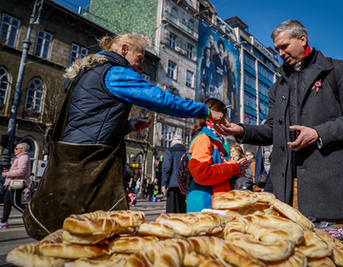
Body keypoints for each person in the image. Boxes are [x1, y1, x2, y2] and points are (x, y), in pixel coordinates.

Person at [24, 33, 229, 239]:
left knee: (76, 229)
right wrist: (204, 110)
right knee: (99, 230)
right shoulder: (114, 72)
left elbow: (89, 121)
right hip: (92, 161)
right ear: (123, 50)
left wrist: (127, 126)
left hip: (74, 153)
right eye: (139, 59)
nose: (140, 67)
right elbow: (160, 99)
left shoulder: (88, 73)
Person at [214, 20, 343, 226]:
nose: (280, 53)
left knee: (338, 255)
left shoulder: (337, 70)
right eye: (277, 49)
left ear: (302, 39)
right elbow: (271, 130)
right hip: (289, 189)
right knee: (294, 255)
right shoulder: (277, 87)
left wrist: (318, 133)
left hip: (332, 191)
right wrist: (241, 129)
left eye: (284, 46)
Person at [186, 98, 249, 213]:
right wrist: (233, 168)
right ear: (214, 117)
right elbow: (201, 173)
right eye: (224, 117)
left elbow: (220, 172)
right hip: (205, 204)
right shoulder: (203, 138)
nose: (227, 121)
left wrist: (237, 171)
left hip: (217, 202)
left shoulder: (218, 141)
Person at [1, 143, 31, 229]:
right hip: (12, 183)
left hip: (17, 183)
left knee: (15, 203)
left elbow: (21, 171)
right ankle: (3, 222)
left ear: (23, 149)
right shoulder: (19, 157)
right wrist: (9, 171)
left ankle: (31, 218)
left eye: (16, 148)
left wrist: (7, 174)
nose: (14, 150)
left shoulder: (24, 157)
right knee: (7, 203)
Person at [161, 134, 187, 213]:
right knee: (182, 206)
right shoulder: (186, 151)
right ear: (182, 143)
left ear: (173, 143)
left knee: (171, 208)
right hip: (183, 184)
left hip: (172, 183)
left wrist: (164, 184)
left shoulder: (170, 150)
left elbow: (167, 168)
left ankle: (171, 224)